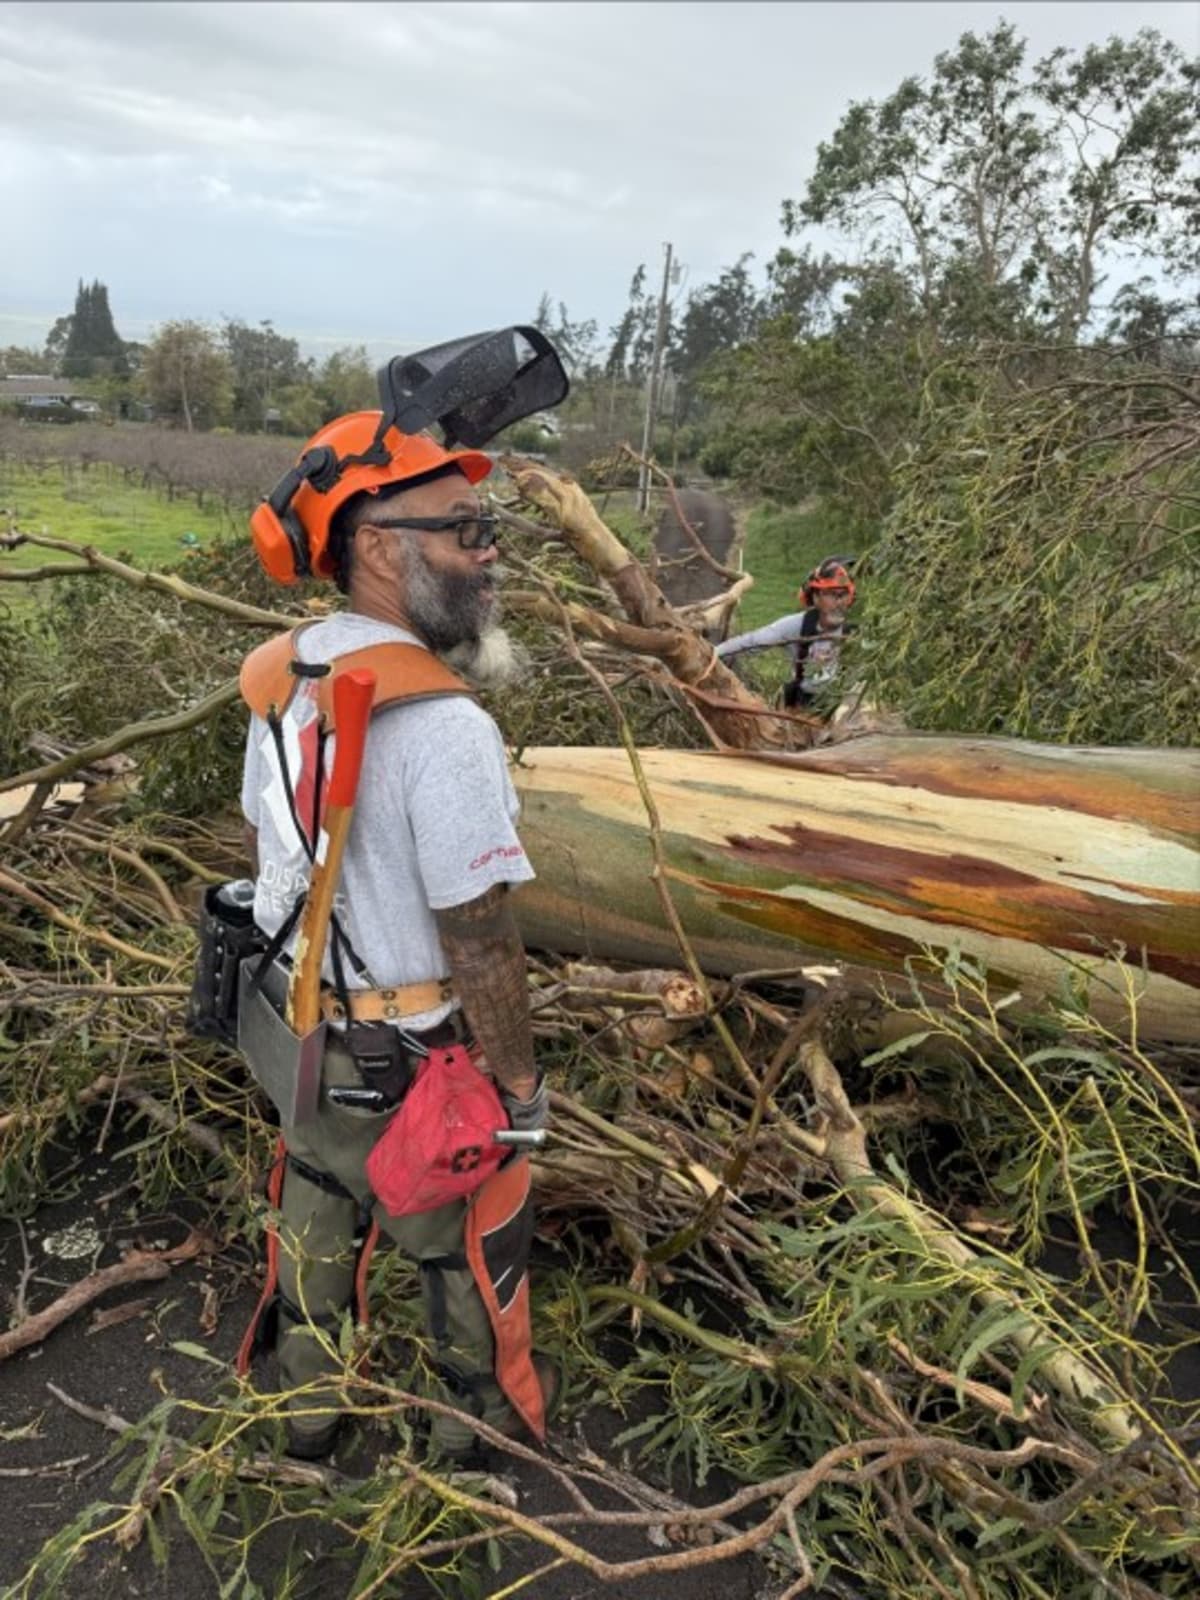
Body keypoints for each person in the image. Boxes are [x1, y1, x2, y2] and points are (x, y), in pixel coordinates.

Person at [236, 409, 552, 1464]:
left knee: (315, 1222)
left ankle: (305, 1427)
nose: (487, 549)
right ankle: (472, 1445)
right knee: (468, 1249)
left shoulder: (279, 676)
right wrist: (516, 1086)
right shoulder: (449, 726)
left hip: (303, 1043)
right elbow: (481, 936)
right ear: (377, 546)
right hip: (410, 1063)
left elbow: (270, 853)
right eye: (465, 527)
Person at [715, 555, 856, 709]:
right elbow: (752, 642)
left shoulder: (854, 633)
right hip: (803, 705)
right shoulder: (799, 626)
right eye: (830, 594)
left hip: (839, 707)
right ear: (815, 597)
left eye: (843, 594)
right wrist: (713, 653)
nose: (839, 601)